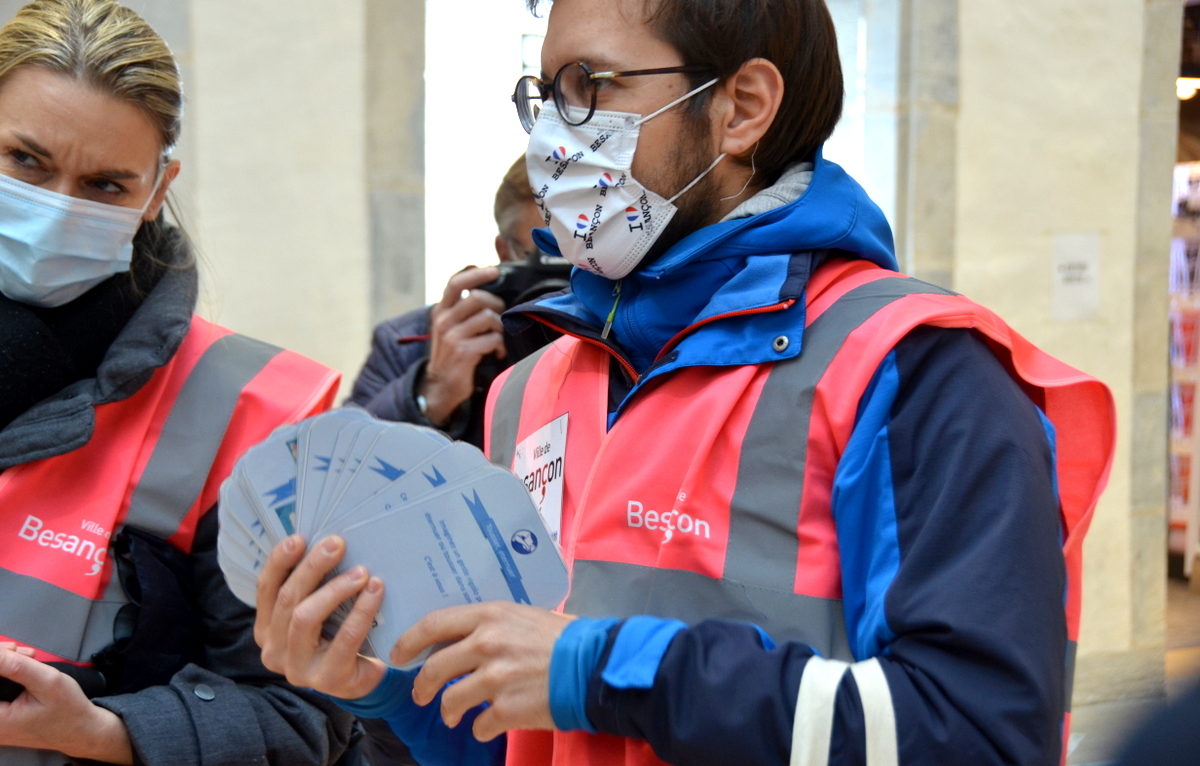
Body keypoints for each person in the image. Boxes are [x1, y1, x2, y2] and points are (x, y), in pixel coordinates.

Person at [253, 1, 1117, 765]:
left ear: (741, 108)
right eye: (545, 94)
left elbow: (982, 734)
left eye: (590, 86)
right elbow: (522, 739)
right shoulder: (531, 390)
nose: (553, 136)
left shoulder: (913, 371)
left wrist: (605, 671)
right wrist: (385, 686)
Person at [0, 1, 363, 764]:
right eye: (25, 161)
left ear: (157, 190)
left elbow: (302, 717)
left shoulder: (250, 407)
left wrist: (106, 733)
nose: (55, 210)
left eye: (103, 184)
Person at [345, 156, 554, 449]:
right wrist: (431, 393)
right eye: (542, 258)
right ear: (505, 252)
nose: (565, 285)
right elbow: (341, 467)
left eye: (575, 259)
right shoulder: (412, 341)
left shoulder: (630, 329)